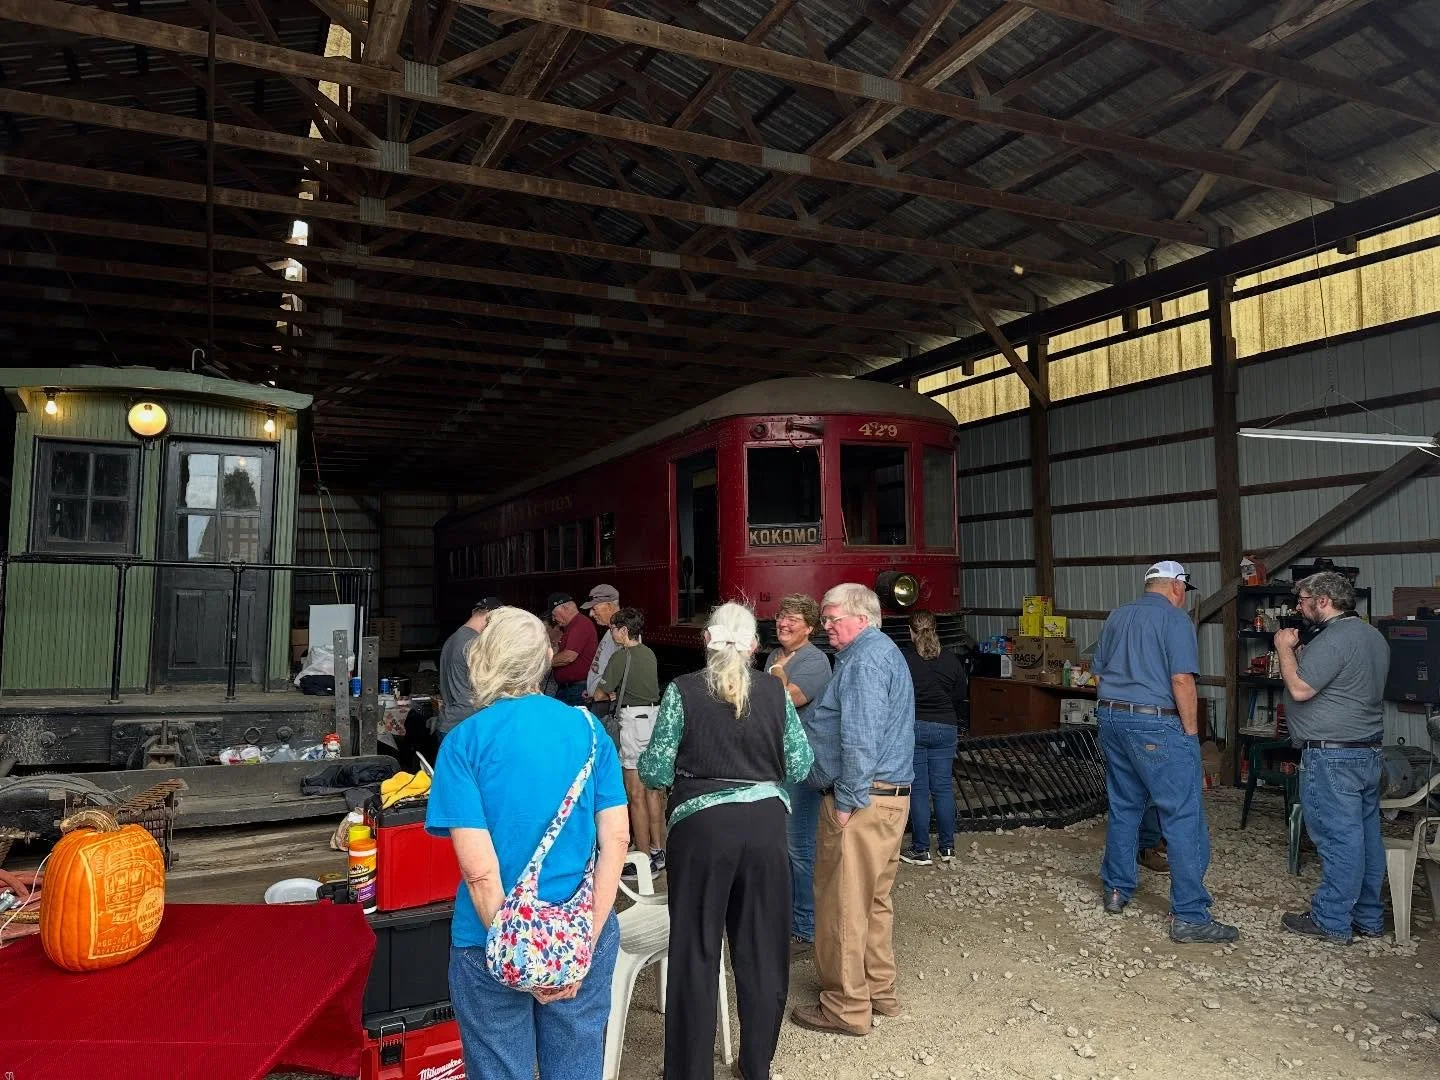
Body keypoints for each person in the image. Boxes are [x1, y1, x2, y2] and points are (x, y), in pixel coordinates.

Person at [426, 606, 630, 1080]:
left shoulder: (463, 742)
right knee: (576, 1068)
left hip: (488, 938)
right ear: (542, 660)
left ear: (484, 659)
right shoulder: (589, 730)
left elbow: (479, 873)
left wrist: (521, 957)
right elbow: (617, 839)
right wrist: (578, 949)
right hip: (580, 924)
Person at [638, 602, 814, 1080]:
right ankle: (756, 1066)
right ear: (755, 645)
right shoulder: (777, 694)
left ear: (707, 641)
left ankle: (691, 1071)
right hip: (764, 831)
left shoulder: (682, 690)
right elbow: (799, 765)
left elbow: (654, 768)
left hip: (701, 832)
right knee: (761, 952)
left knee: (695, 950)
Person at [791, 583, 915, 1038]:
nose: (825, 627)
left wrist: (846, 801)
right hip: (887, 799)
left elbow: (860, 737)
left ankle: (845, 1006)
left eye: (831, 618)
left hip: (861, 802)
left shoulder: (864, 660)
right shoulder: (880, 653)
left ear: (861, 617)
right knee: (874, 903)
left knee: (843, 906)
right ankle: (879, 991)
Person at [1091, 560, 1237, 944]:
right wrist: (1190, 736)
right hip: (1156, 723)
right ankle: (1189, 914)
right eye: (1184, 590)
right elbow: (1181, 679)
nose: (1183, 596)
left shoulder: (1117, 617)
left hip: (1111, 718)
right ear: (1176, 586)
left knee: (1125, 805)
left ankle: (1117, 890)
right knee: (1183, 814)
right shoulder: (1175, 620)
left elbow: (1100, 672)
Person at [1273, 571, 1390, 944]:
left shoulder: (1335, 638)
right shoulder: (1372, 636)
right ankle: (1368, 917)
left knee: (1340, 840)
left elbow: (1300, 688)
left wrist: (1283, 648)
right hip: (1367, 752)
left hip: (1333, 757)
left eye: (1303, 600)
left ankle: (1331, 919)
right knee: (1367, 838)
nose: (1298, 607)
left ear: (1323, 601)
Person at [763, 594, 832, 949]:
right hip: (775, 762)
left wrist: (775, 675)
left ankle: (805, 928)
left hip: (800, 765)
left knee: (798, 848)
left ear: (810, 627)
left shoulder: (815, 661)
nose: (783, 623)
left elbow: (784, 698)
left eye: (791, 619)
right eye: (780, 616)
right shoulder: (776, 656)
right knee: (779, 846)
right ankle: (788, 919)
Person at [592, 606, 666, 875]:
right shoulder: (649, 653)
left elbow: (601, 692)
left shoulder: (621, 657)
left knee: (634, 794)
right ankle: (659, 850)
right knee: (652, 791)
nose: (611, 634)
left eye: (613, 629)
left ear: (624, 630)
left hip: (632, 724)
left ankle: (644, 860)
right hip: (652, 719)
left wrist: (605, 695)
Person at [899, 610, 967, 867]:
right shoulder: (951, 660)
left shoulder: (904, 659)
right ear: (936, 629)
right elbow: (960, 694)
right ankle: (947, 847)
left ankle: (921, 849)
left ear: (910, 631)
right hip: (946, 727)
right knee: (942, 788)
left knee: (918, 789)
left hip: (914, 727)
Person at [437, 597, 502, 739]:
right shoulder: (475, 644)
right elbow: (490, 686)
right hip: (467, 726)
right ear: (491, 616)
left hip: (449, 722)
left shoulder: (452, 639)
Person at [547, 593, 598, 707]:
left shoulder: (580, 624)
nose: (553, 619)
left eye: (554, 615)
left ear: (565, 608)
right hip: (571, 689)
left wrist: (542, 663)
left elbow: (569, 656)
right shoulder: (572, 626)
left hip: (576, 689)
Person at [582, 584, 621, 702]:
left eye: (594, 609)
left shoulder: (621, 633)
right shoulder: (610, 632)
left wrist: (610, 696)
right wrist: (591, 689)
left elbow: (628, 669)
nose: (591, 614)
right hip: (597, 699)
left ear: (609, 606)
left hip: (605, 703)